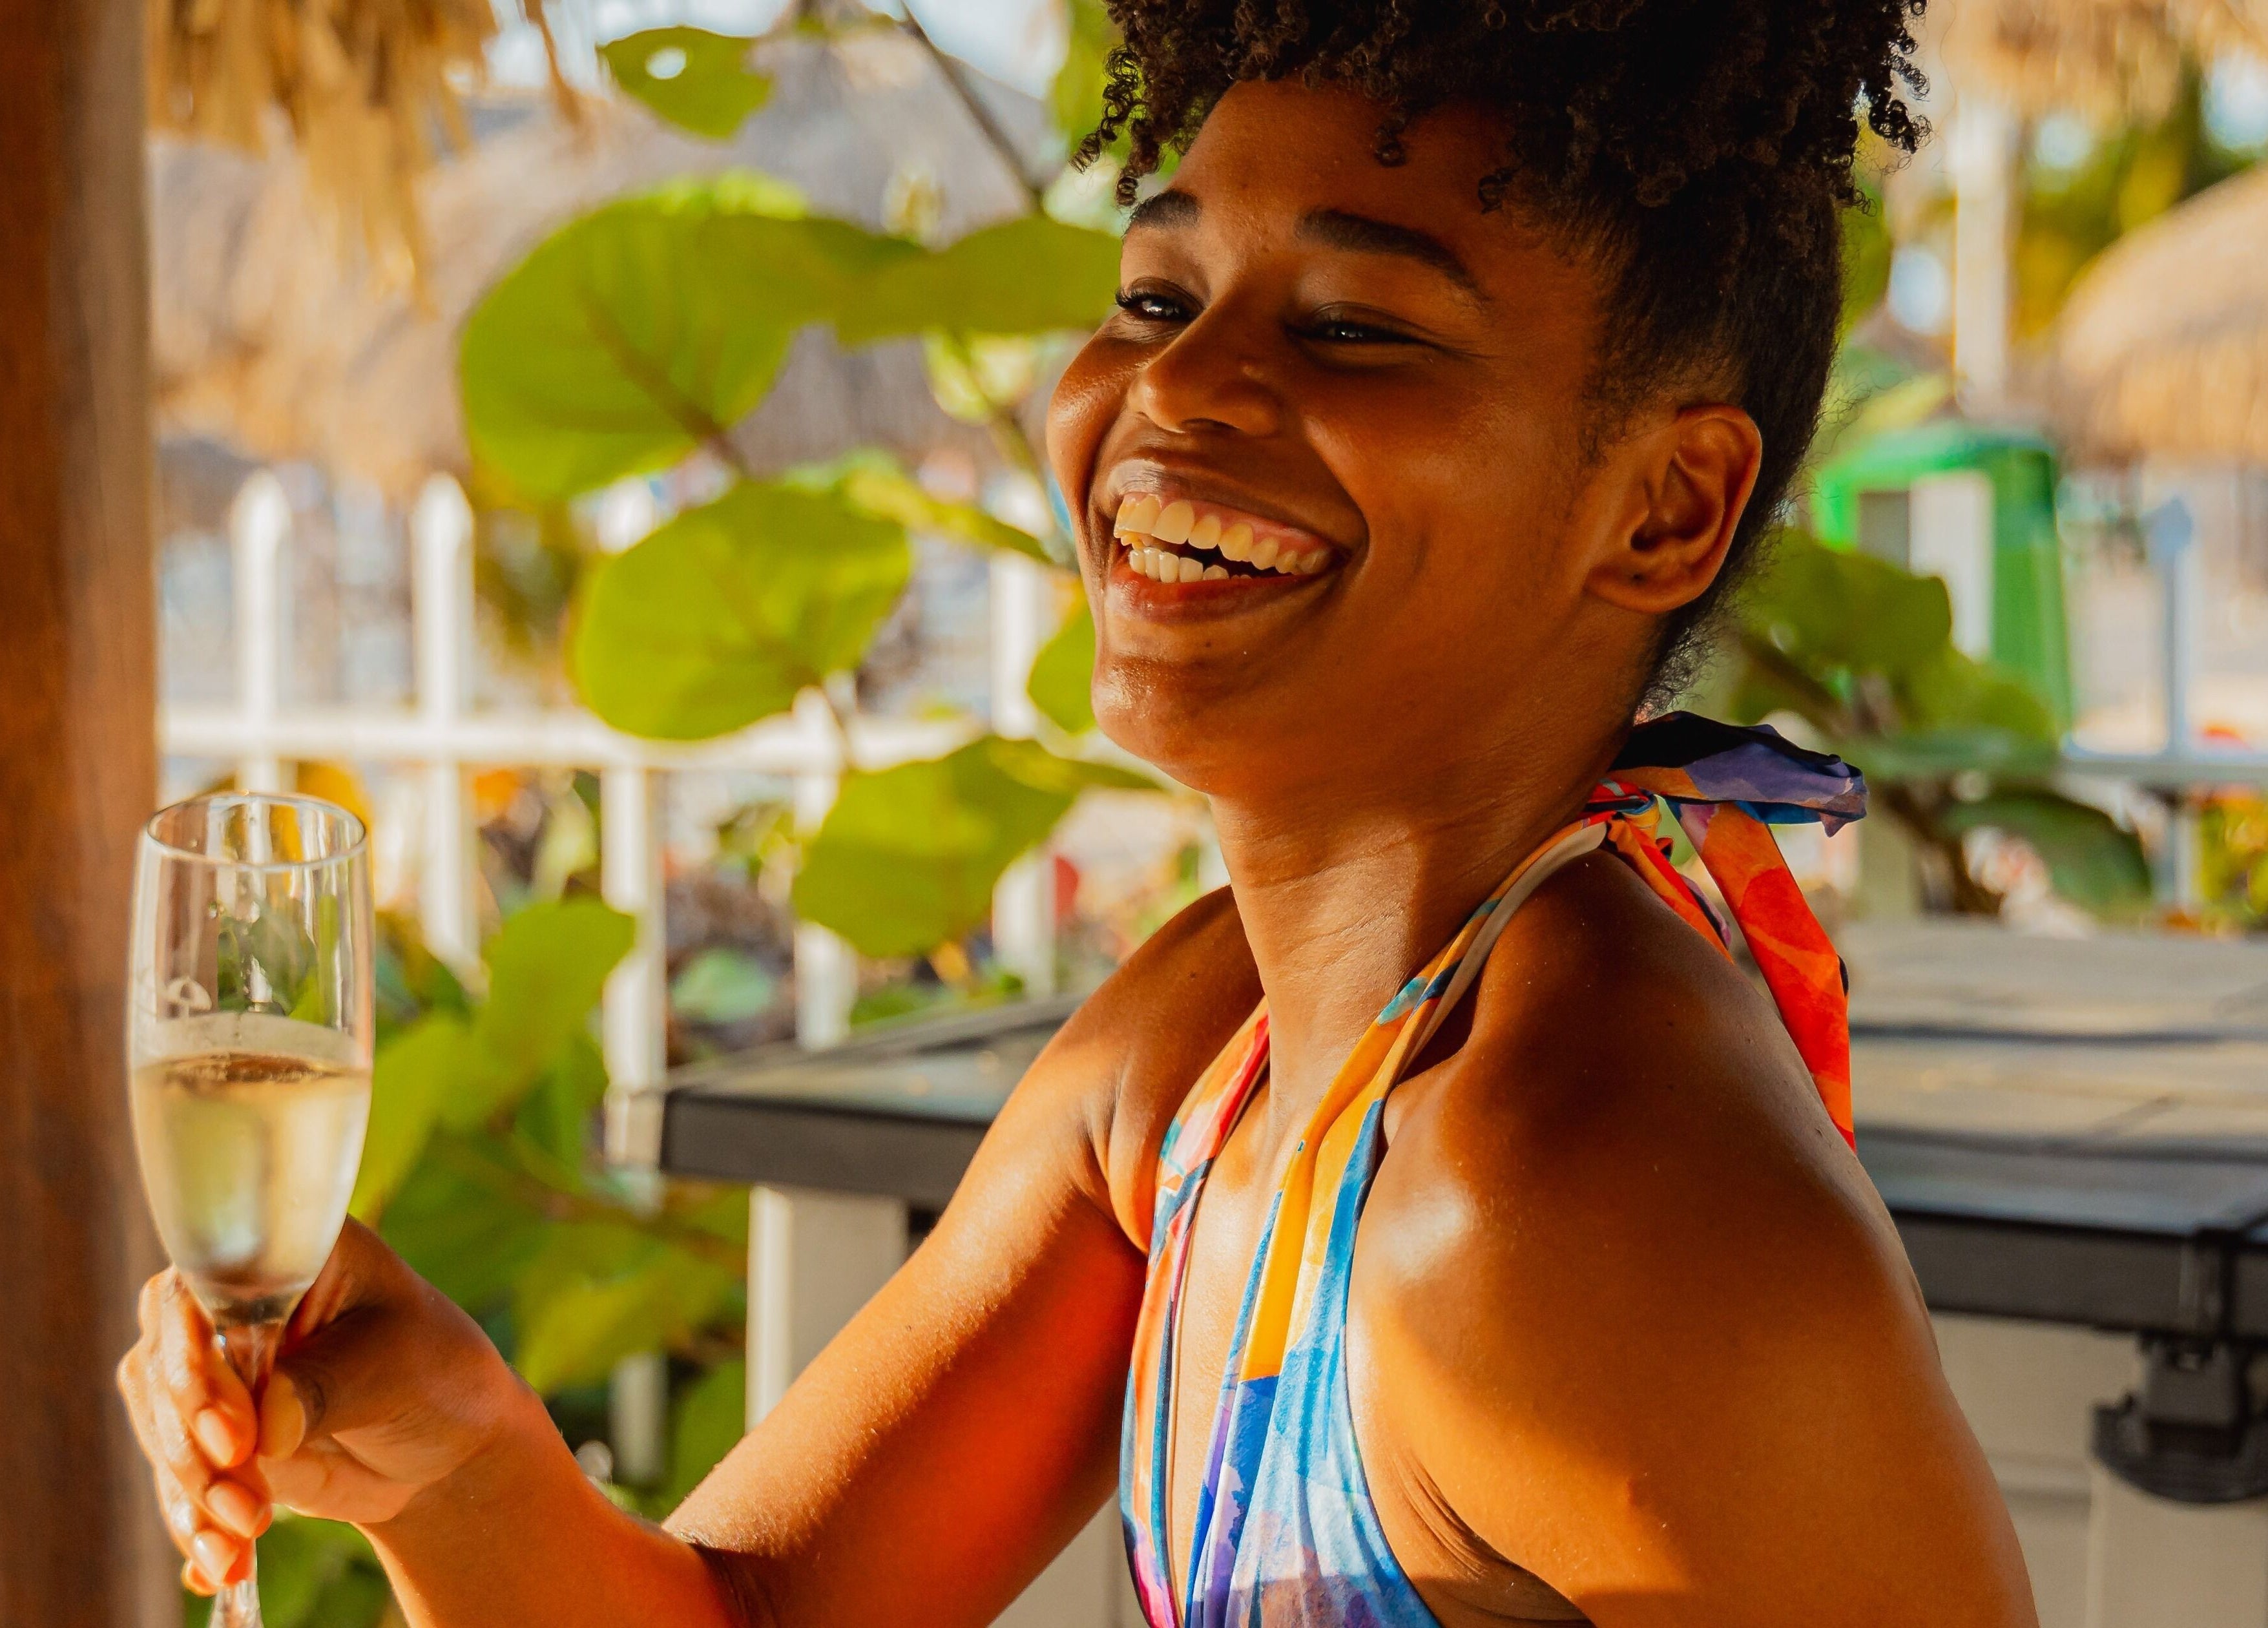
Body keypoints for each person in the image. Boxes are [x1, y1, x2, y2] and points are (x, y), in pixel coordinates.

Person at [119, 4, 2041, 1623]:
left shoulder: (1566, 1187)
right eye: (1157, 289)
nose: (1176, 387)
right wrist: (455, 1461)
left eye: (1360, 328)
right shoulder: (1208, 1056)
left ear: (1665, 510)